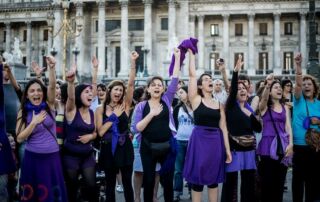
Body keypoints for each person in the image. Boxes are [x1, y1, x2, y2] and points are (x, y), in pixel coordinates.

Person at [131, 48, 181, 202]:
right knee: (149, 180)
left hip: (167, 146)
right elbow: (136, 128)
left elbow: (175, 79)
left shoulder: (166, 100)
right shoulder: (141, 106)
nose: (157, 87)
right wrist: (151, 114)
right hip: (147, 147)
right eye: (153, 85)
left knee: (167, 182)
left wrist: (177, 58)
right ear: (148, 89)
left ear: (163, 89)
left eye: (160, 85)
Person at [15, 56, 67, 202]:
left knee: (52, 194)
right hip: (33, 158)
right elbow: (19, 138)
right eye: (32, 91)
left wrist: (51, 68)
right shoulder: (23, 111)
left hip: (52, 157)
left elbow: (51, 86)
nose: (36, 93)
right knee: (35, 195)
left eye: (39, 90)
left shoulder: (49, 106)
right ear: (27, 94)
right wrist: (34, 123)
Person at [183, 49, 232, 202]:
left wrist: (228, 151)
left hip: (215, 142)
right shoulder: (196, 100)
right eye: (205, 79)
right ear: (199, 86)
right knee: (197, 181)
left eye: (210, 78)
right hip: (199, 141)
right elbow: (191, 75)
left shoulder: (219, 104)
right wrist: (191, 53)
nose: (209, 80)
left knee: (213, 182)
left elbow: (223, 128)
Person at [96, 51, 139, 202]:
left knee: (127, 182)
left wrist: (133, 62)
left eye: (121, 90)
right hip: (108, 147)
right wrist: (114, 116)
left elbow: (131, 84)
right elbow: (100, 132)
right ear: (110, 91)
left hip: (124, 146)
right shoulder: (100, 109)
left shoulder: (125, 105)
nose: (119, 92)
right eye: (116, 89)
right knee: (110, 184)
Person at [221, 55, 262, 202]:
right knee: (230, 183)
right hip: (234, 150)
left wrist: (253, 115)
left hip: (249, 150)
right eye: (238, 89)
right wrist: (236, 72)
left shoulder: (250, 110)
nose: (242, 90)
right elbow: (231, 91)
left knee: (248, 183)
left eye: (244, 88)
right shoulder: (231, 106)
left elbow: (257, 128)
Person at [63, 63, 98, 202]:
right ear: (79, 95)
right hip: (71, 157)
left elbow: (95, 133)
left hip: (87, 156)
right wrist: (71, 82)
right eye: (87, 92)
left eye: (91, 92)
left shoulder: (91, 112)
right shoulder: (71, 110)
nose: (91, 94)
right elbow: (71, 98)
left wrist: (91, 136)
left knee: (91, 186)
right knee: (72, 189)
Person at [257, 74, 293, 202]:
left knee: (279, 183)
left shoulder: (285, 107)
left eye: (279, 87)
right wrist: (267, 85)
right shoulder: (264, 107)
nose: (279, 89)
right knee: (267, 184)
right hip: (267, 147)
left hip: (282, 147)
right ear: (270, 92)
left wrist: (291, 144)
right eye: (275, 87)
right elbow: (262, 103)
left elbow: (288, 127)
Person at [291, 53, 320, 202]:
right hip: (299, 146)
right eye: (305, 84)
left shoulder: (319, 104)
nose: (306, 86)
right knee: (297, 181)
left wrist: (318, 121)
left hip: (314, 147)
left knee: (312, 182)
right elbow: (298, 85)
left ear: (315, 88)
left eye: (310, 84)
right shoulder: (298, 100)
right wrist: (298, 66)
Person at [172, 86, 194, 201]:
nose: (179, 94)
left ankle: (192, 190)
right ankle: (177, 192)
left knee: (191, 167)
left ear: (188, 93)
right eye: (178, 93)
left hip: (193, 142)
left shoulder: (195, 106)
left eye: (181, 92)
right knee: (178, 169)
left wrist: (190, 108)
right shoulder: (177, 108)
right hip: (179, 141)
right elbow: (174, 124)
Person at [0, 60, 16, 202]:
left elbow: (18, 90)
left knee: (11, 176)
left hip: (14, 135)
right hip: (3, 137)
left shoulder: (11, 88)